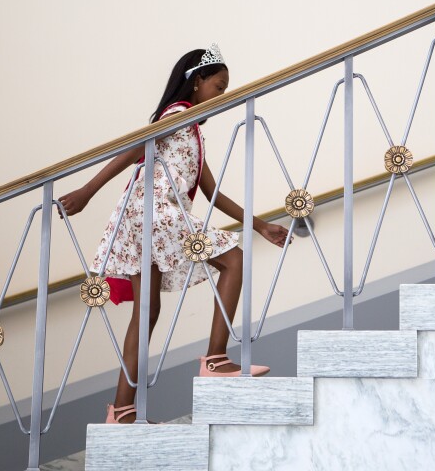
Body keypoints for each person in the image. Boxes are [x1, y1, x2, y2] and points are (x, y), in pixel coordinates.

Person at [59, 44, 289, 424]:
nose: (223, 95)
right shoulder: (177, 114)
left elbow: (211, 191)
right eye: (219, 86)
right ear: (197, 83)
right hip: (156, 212)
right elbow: (135, 147)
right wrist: (88, 190)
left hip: (140, 217)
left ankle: (122, 412)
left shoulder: (192, 131)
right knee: (232, 259)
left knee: (147, 312)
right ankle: (215, 359)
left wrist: (261, 225)